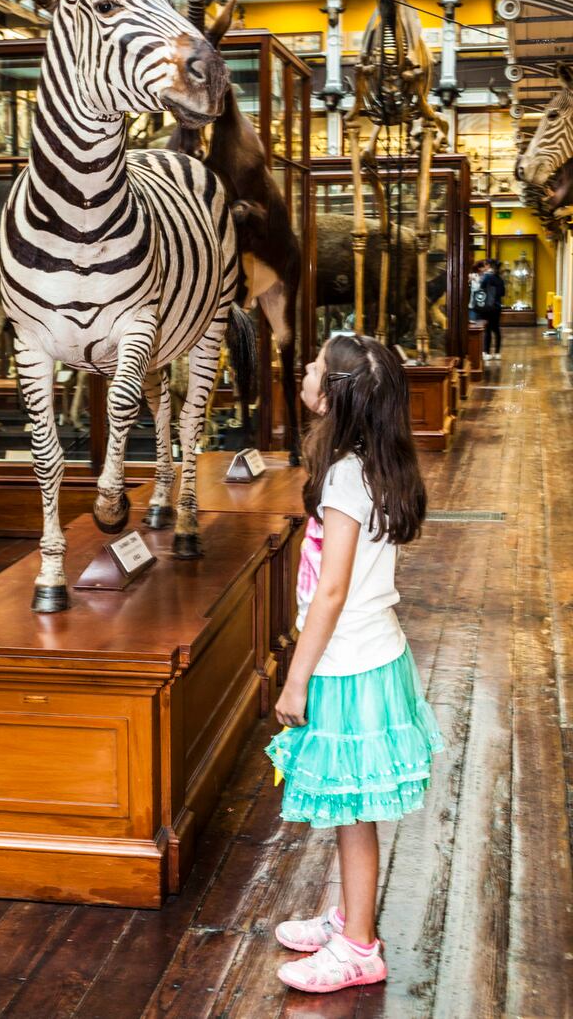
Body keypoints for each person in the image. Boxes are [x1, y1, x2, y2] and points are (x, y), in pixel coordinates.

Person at [266, 333, 443, 995]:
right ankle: (352, 915)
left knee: (353, 809)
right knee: (352, 809)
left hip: (348, 664)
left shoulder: (344, 474)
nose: (306, 370)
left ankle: (360, 946)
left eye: (315, 366)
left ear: (335, 394)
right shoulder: (369, 461)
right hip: (374, 651)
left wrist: (295, 676)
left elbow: (332, 589)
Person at [480, 259, 506, 362]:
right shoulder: (499, 279)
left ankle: (486, 352)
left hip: (488, 306)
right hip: (497, 306)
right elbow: (503, 293)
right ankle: (497, 352)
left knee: (487, 330)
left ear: (489, 266)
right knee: (496, 329)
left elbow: (481, 288)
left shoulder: (487, 277)